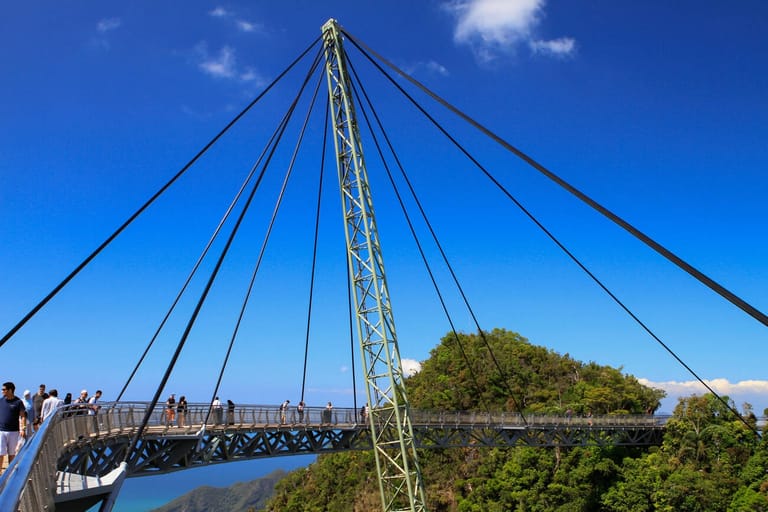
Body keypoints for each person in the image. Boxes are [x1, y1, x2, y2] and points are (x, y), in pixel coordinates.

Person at [0, 382, 27, 469]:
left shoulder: (18, 402)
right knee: (0, 453)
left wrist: (23, 428)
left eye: (4, 389)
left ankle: (10, 473)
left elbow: (23, 416)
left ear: (10, 390)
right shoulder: (1, 401)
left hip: (14, 432)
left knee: (12, 454)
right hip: (1, 431)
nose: (2, 391)